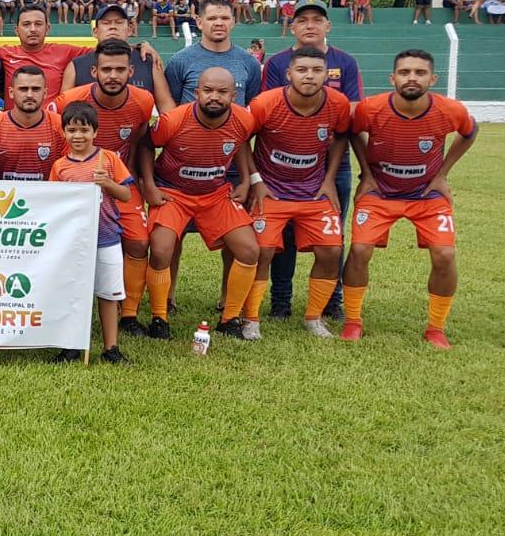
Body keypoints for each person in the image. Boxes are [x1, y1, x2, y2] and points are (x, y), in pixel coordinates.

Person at [341, 50, 477, 349]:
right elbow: (353, 133)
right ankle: (352, 322)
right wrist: (367, 173)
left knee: (445, 255)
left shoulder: (450, 110)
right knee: (360, 249)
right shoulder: (371, 108)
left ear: (433, 78)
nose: (411, 78)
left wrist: (442, 174)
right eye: (404, 72)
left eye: (419, 72)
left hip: (426, 194)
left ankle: (436, 328)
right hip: (380, 193)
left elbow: (470, 131)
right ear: (393, 78)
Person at [136, 67, 260, 341]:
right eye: (208, 90)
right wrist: (150, 186)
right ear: (196, 92)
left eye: (222, 92)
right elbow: (145, 144)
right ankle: (159, 317)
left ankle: (229, 318)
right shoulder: (174, 120)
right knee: (161, 249)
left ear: (234, 95)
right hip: (173, 193)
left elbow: (240, 144)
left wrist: (245, 181)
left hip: (215, 193)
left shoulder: (243, 119)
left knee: (250, 249)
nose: (214, 97)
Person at [259, 0, 362, 319]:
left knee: (332, 236)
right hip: (280, 168)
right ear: (293, 27)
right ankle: (281, 301)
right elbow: (270, 111)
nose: (310, 25)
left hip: (331, 167)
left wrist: (334, 174)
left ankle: (331, 301)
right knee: (281, 237)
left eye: (317, 20)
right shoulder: (277, 63)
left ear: (328, 26)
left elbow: (351, 116)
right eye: (302, 20)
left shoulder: (345, 62)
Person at [244, 48, 352, 340]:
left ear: (326, 76)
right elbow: (240, 137)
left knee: (332, 250)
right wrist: (255, 180)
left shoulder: (338, 104)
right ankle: (250, 318)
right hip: (272, 192)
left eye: (316, 70)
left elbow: (342, 135)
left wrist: (330, 179)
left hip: (313, 193)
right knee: (262, 251)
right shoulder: (265, 103)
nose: (309, 76)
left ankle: (313, 318)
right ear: (289, 74)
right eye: (302, 70)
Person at [52, 39, 156, 327]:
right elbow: (61, 142)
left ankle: (130, 313)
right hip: (79, 186)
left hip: (119, 181)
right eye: (106, 69)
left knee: (139, 242)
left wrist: (143, 181)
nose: (113, 75)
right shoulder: (70, 100)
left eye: (120, 69)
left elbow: (139, 140)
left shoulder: (144, 101)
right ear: (95, 71)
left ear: (130, 71)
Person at [48, 101, 133, 365]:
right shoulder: (60, 166)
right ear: (64, 133)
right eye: (72, 130)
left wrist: (107, 182)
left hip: (106, 237)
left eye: (84, 130)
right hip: (74, 242)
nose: (78, 136)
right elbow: (53, 201)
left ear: (95, 132)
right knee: (73, 292)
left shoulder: (108, 159)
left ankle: (111, 348)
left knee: (107, 294)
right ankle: (71, 345)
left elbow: (127, 194)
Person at [0, 66, 66, 181]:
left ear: (45, 93)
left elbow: (73, 170)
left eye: (36, 89)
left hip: (46, 198)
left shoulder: (60, 125)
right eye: (23, 89)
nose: (29, 95)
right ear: (11, 93)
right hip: (5, 198)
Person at [163, 0, 261, 109]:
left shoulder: (250, 62)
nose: (219, 23)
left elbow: (250, 103)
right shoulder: (179, 61)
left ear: (232, 22)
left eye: (225, 18)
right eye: (212, 18)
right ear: (199, 23)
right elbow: (171, 107)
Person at [60, 3, 167, 98]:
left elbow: (166, 107)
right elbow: (63, 111)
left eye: (119, 22)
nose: (113, 27)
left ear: (130, 30)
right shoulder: (76, 66)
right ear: (95, 32)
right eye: (106, 23)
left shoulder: (149, 62)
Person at [0, 6, 87, 106]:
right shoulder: (5, 52)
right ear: (17, 30)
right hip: (12, 120)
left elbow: (100, 53)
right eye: (26, 24)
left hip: (52, 120)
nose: (33, 29)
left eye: (38, 24)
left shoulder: (65, 51)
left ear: (47, 28)